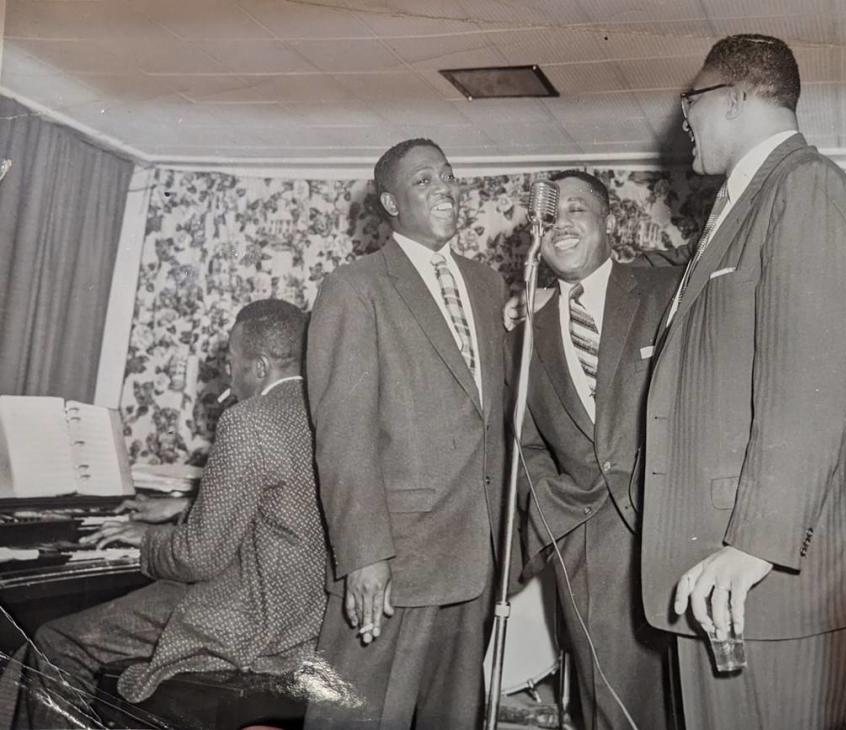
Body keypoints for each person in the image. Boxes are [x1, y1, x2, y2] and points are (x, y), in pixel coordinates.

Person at [640, 34, 846, 729]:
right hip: (723, 577)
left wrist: (754, 544)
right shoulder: (744, 207)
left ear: (735, 99)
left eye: (693, 107)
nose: (685, 124)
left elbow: (812, 381)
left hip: (761, 577)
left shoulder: (806, 187)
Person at [12, 299, 328, 729]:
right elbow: (289, 502)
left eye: (231, 362)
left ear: (259, 366)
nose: (226, 375)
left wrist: (143, 536)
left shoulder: (248, 419)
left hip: (251, 620)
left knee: (56, 641)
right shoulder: (323, 411)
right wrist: (187, 505)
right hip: (304, 619)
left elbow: (198, 558)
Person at [304, 139, 507, 729]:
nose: (445, 185)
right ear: (390, 202)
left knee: (453, 717)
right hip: (395, 559)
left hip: (475, 552)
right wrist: (365, 555)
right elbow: (343, 434)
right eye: (424, 180)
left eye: (448, 173)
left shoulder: (487, 284)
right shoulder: (354, 286)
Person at [515, 170, 682, 730]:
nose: (559, 224)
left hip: (679, 534)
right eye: (547, 216)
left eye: (576, 210)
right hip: (588, 547)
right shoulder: (525, 336)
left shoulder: (666, 292)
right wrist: (556, 513)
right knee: (611, 710)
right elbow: (523, 443)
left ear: (608, 220)